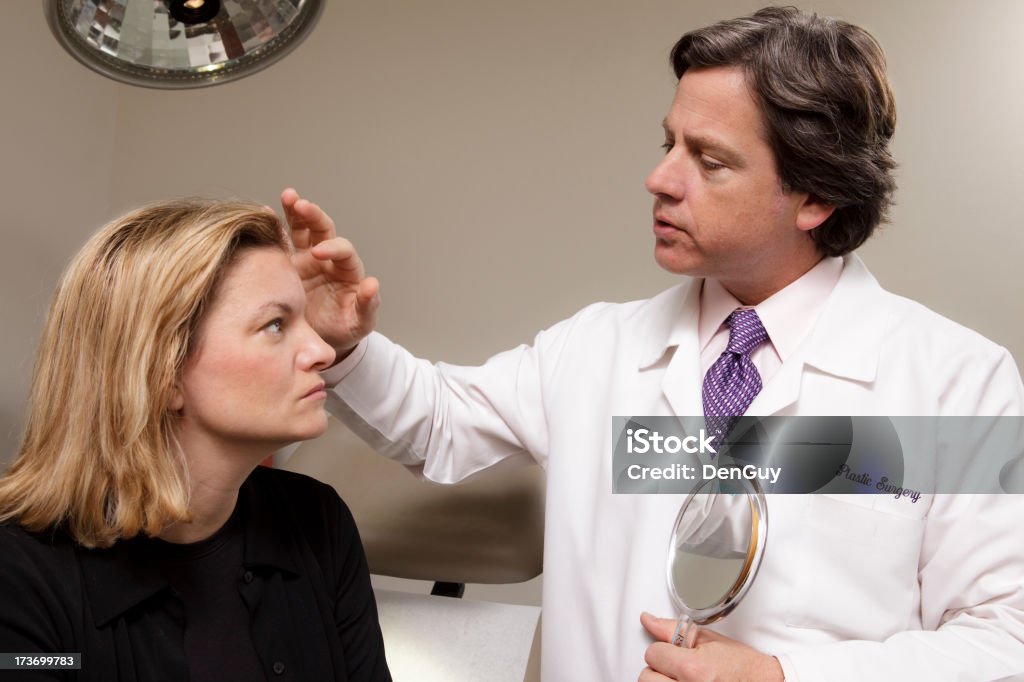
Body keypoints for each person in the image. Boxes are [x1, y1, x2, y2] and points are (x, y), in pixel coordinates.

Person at [282, 7, 1024, 682]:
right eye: (669, 142)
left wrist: (780, 678)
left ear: (816, 197)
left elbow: (1005, 637)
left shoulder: (954, 381)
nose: (659, 178)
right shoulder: (597, 348)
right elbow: (437, 423)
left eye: (709, 159)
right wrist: (346, 344)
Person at [0, 200, 391, 681]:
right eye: (275, 325)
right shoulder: (18, 574)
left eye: (304, 321)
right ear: (163, 375)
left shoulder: (317, 522)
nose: (323, 351)